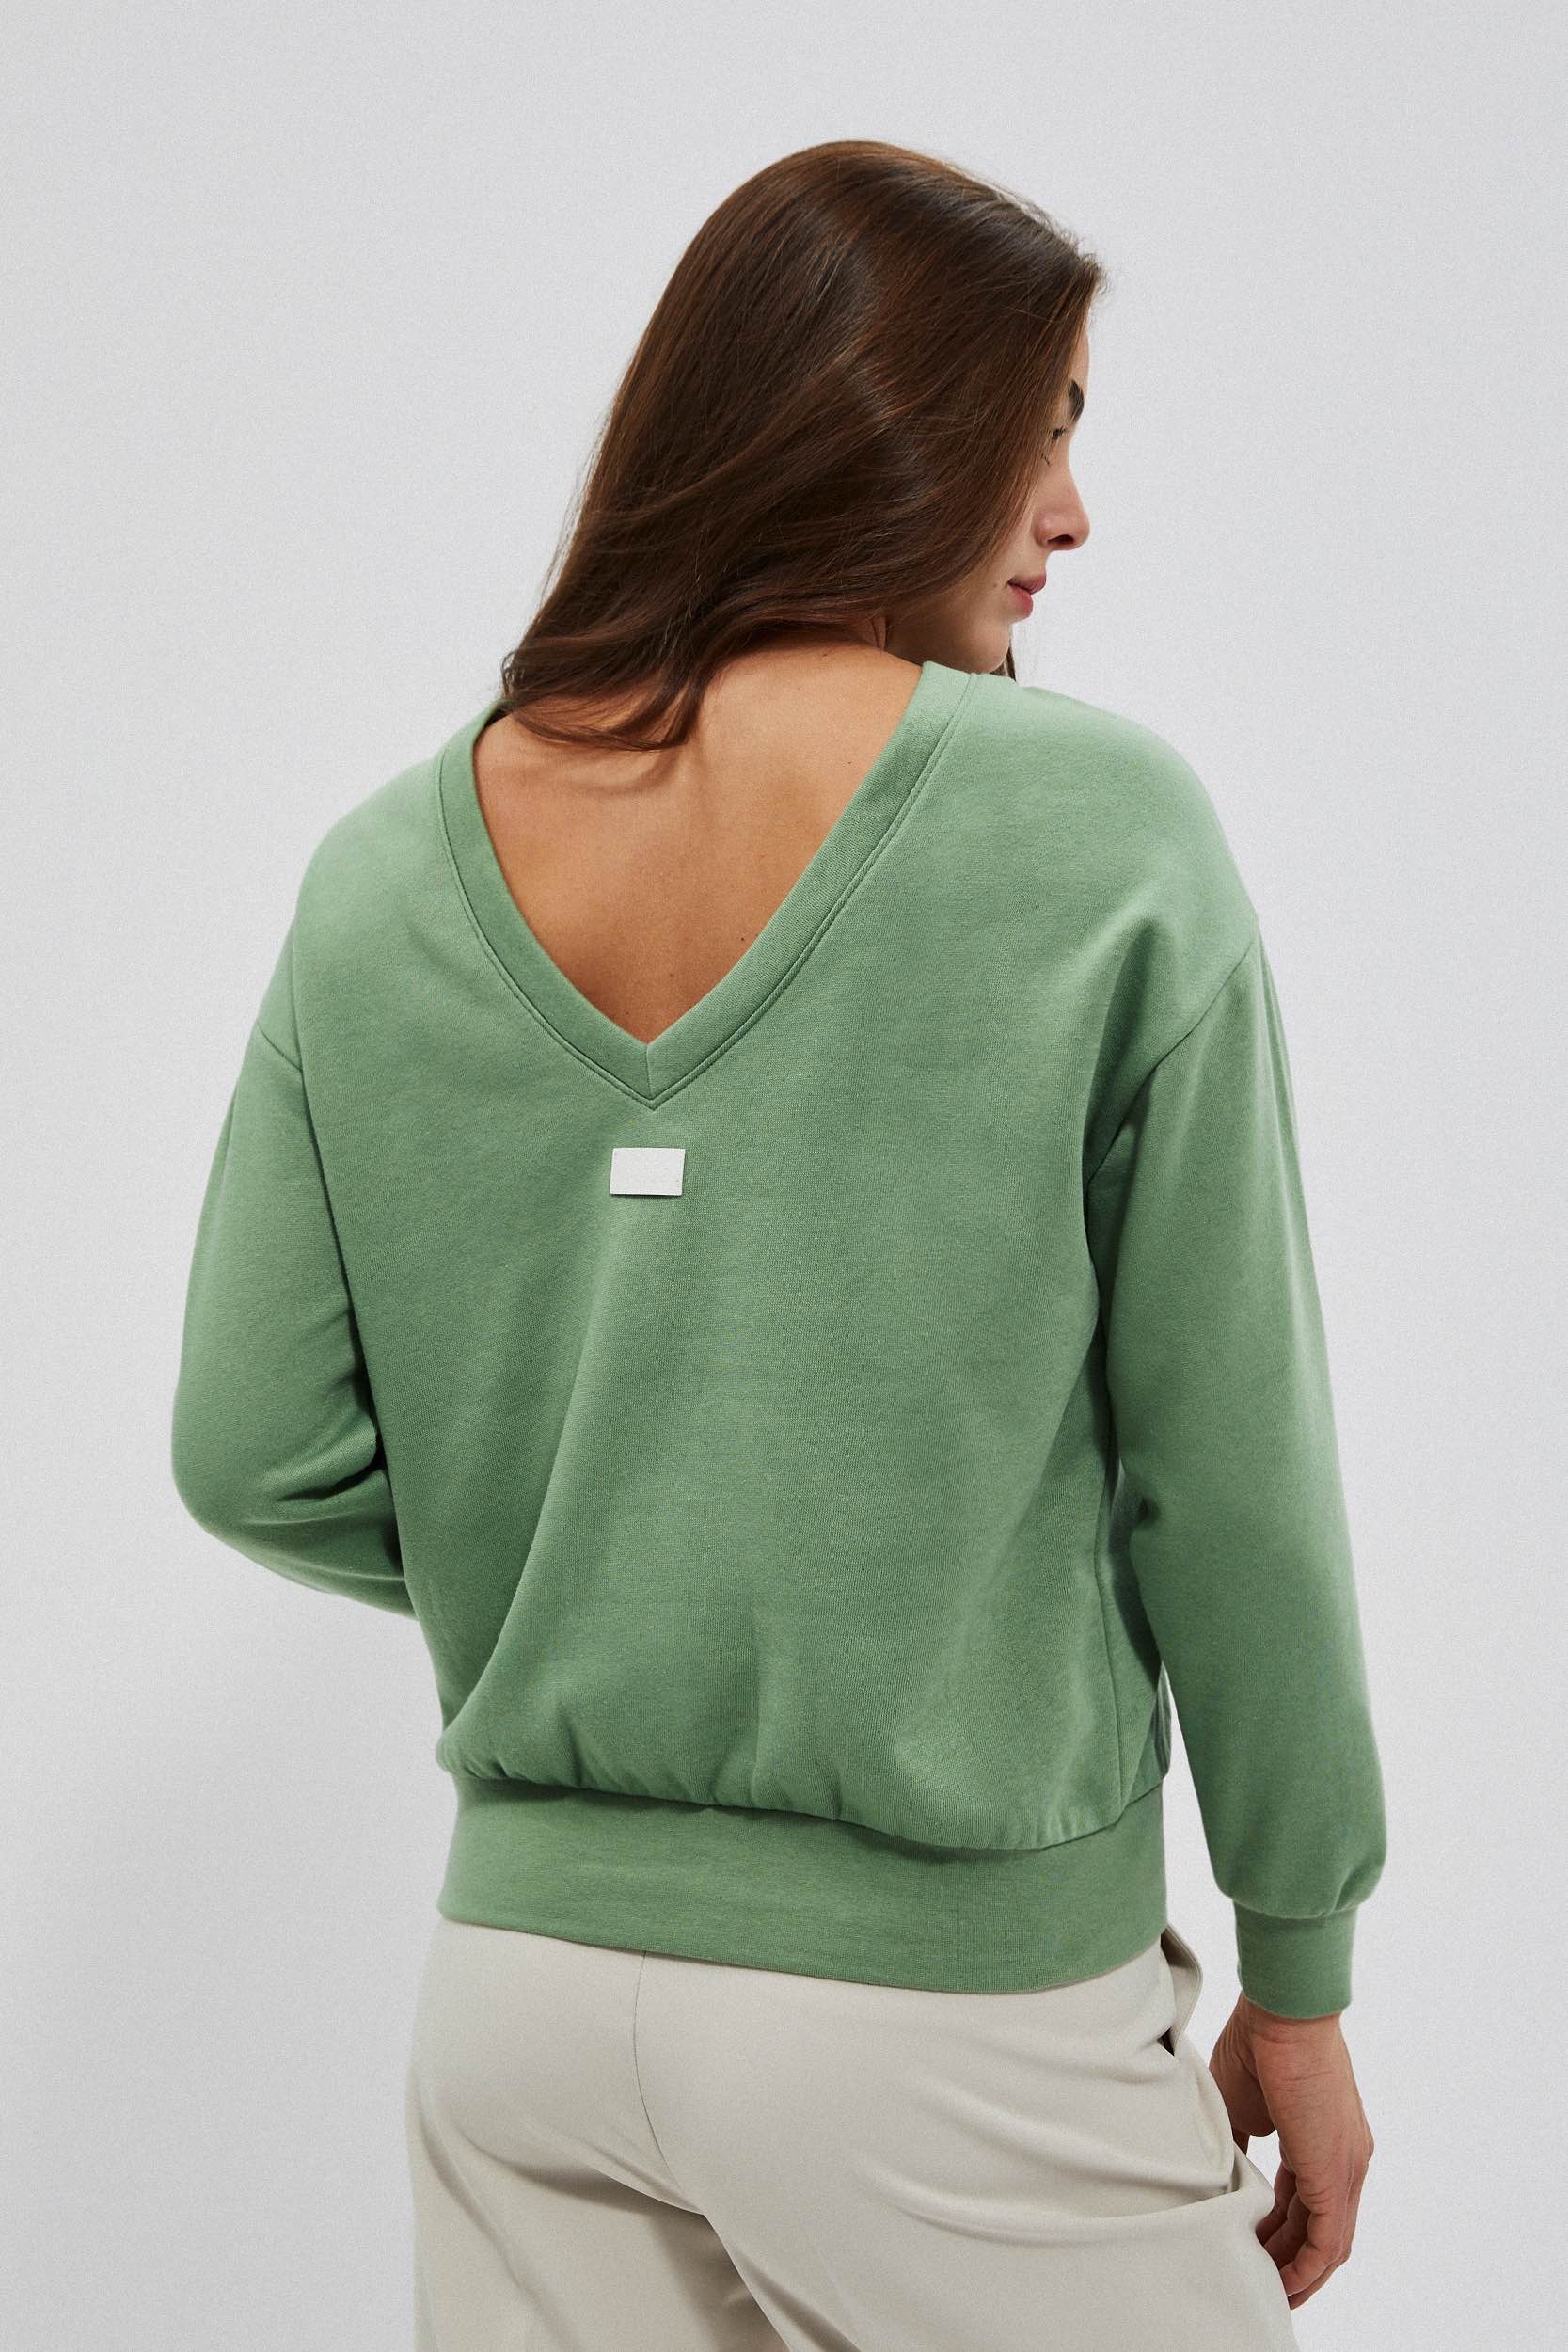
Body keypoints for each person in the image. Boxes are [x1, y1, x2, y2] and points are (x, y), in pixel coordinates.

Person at [170, 137, 1386, 2349]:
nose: (1072, 513)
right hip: (949, 2011)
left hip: (520, 2006)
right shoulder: (1099, 835)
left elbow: (249, 1445)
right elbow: (1230, 1480)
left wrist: (618, 1563)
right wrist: (1298, 1972)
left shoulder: (381, 870)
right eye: (1041, 431)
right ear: (877, 433)